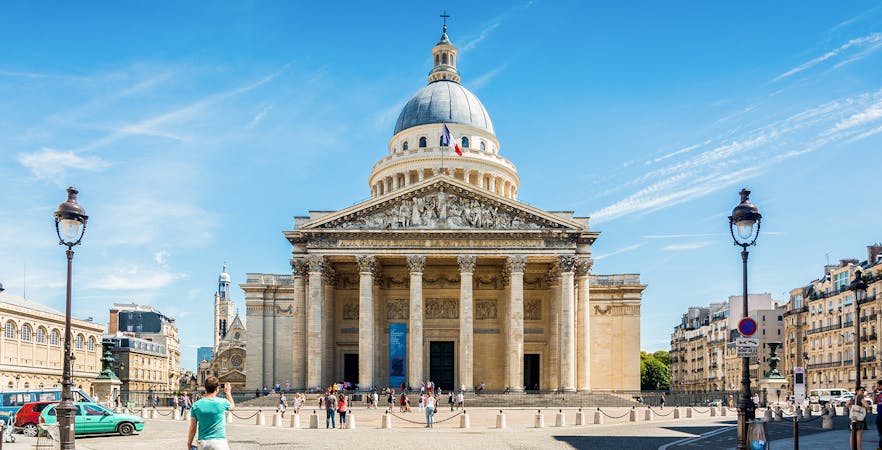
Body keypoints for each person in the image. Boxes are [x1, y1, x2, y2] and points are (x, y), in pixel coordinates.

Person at [187, 377, 235, 450]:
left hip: (203, 443)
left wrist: (189, 443)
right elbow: (233, 407)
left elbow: (193, 428)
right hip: (220, 442)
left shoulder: (196, 405)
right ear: (217, 389)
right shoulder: (222, 402)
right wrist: (228, 393)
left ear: (205, 389)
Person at [847, 386, 871, 450]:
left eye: (863, 390)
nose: (863, 391)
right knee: (859, 435)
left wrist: (852, 407)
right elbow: (866, 405)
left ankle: (852, 448)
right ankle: (859, 448)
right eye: (861, 390)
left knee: (852, 434)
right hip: (859, 418)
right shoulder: (860, 397)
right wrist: (863, 406)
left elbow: (847, 404)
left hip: (852, 418)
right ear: (857, 391)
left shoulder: (853, 397)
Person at [874, 380, 882, 450]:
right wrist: (874, 394)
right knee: (880, 433)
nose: (877, 387)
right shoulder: (879, 395)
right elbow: (874, 401)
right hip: (879, 415)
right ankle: (881, 447)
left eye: (878, 385)